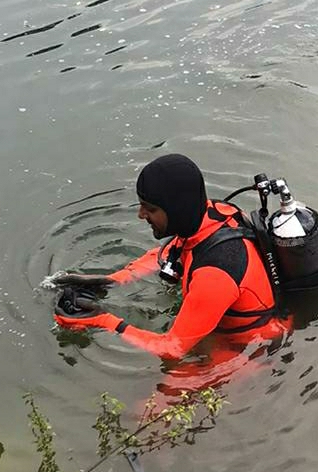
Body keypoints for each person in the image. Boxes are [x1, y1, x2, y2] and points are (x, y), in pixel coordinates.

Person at [52, 153, 290, 359]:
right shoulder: (216, 213)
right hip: (240, 321)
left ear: (177, 209)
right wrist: (114, 280)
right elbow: (174, 249)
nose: (141, 214)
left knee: (159, 396)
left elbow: (172, 349)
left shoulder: (215, 273)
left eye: (150, 208)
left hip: (250, 347)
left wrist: (103, 320)